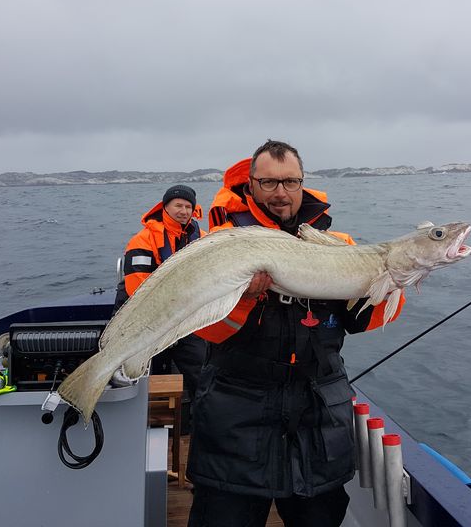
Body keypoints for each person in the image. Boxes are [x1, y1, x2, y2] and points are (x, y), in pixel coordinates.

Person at [187, 140, 406, 527]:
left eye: (290, 182)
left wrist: (394, 282)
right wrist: (245, 299)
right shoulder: (221, 244)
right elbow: (205, 331)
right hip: (236, 416)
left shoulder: (340, 247)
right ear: (250, 184)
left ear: (303, 183)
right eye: (268, 183)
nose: (281, 193)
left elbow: (362, 322)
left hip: (317, 418)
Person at [113, 184, 207, 400]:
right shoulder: (143, 240)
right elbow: (137, 288)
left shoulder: (202, 237)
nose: (183, 211)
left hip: (185, 316)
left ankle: (196, 421)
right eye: (178, 205)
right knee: (144, 373)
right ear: (165, 206)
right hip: (143, 318)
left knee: (202, 372)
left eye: (188, 206)